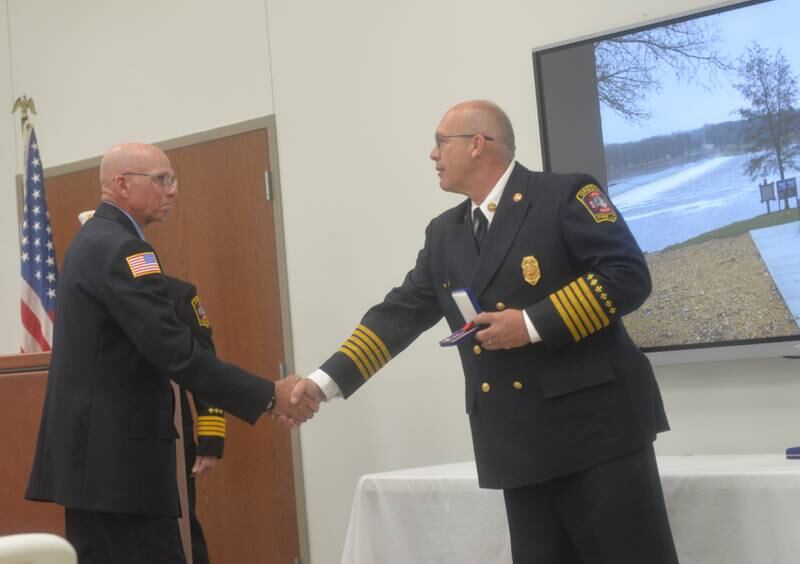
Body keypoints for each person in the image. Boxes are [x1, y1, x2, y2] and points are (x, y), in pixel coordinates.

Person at [291, 101, 679, 563]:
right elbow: (398, 315)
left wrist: (531, 324)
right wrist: (321, 382)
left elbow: (627, 275)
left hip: (597, 436)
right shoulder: (445, 233)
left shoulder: (564, 195)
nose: (431, 154)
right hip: (519, 446)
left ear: (478, 144)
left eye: (440, 141)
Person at [26, 143, 318, 564]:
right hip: (119, 468)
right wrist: (270, 394)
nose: (173, 190)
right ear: (121, 184)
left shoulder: (93, 241)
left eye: (173, 179)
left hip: (95, 466)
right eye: (161, 179)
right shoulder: (124, 250)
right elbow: (175, 351)